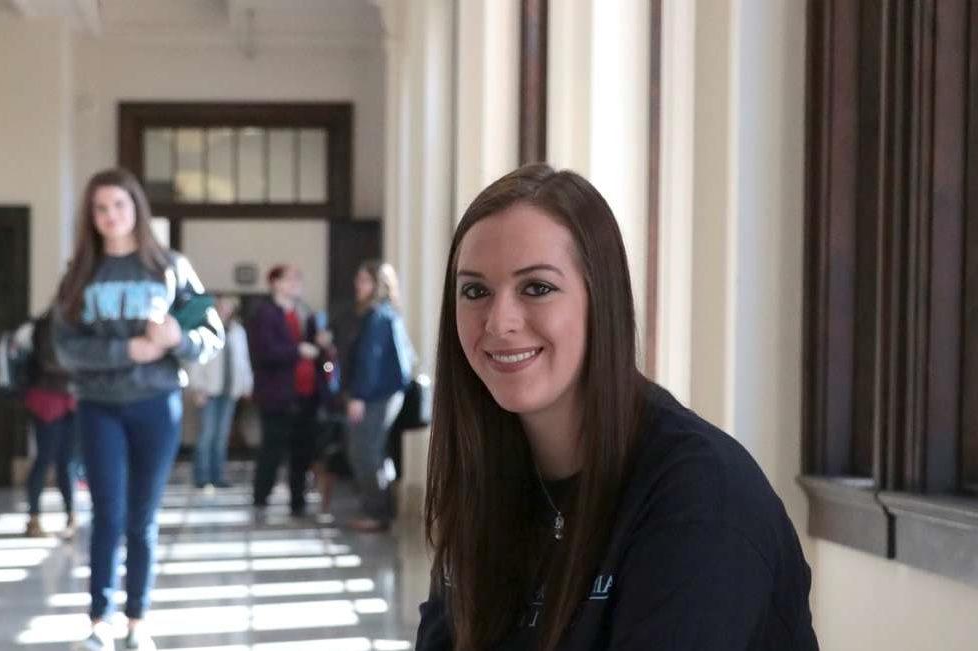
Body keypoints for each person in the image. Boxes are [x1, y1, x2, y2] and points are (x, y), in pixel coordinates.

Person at [415, 164, 817, 650]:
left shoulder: (701, 494)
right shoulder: (489, 478)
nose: (498, 322)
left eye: (537, 287)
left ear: (599, 299)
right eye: (475, 291)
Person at [52, 168, 224, 651]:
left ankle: (138, 618)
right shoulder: (80, 273)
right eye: (100, 208)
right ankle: (100, 619)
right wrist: (130, 352)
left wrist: (176, 339)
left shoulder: (170, 267)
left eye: (119, 206)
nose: (110, 216)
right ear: (91, 216)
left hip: (156, 405)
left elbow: (211, 333)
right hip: (99, 406)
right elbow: (65, 349)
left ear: (136, 209)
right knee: (107, 512)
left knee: (143, 517)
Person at [247, 265, 328, 517]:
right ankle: (261, 498)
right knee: (271, 449)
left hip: (307, 393)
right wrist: (298, 351)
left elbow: (315, 349)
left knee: (302, 450)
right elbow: (264, 352)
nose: (296, 283)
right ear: (275, 283)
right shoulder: (265, 314)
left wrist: (322, 345)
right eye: (289, 279)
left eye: (298, 278)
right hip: (277, 394)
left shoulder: (305, 312)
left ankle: (298, 500)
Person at [341, 260, 413, 533]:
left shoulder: (377, 316)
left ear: (377, 285)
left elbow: (370, 361)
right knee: (375, 452)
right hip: (383, 394)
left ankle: (376, 513)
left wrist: (358, 396)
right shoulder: (386, 314)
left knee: (364, 452)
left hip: (375, 395)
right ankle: (380, 510)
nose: (357, 286)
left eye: (363, 280)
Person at [20, 309, 80, 539]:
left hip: (70, 399)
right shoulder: (45, 326)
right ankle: (33, 517)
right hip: (47, 398)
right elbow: (47, 361)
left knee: (67, 461)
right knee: (44, 458)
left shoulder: (76, 323)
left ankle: (71, 515)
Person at [185, 295, 254, 490]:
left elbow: (243, 360)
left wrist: (246, 385)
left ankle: (218, 475)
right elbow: (197, 360)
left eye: (229, 306)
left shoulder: (238, 331)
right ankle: (202, 476)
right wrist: (196, 387)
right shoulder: (204, 327)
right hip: (208, 390)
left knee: (222, 435)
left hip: (229, 389)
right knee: (206, 434)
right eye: (222, 305)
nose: (225, 309)